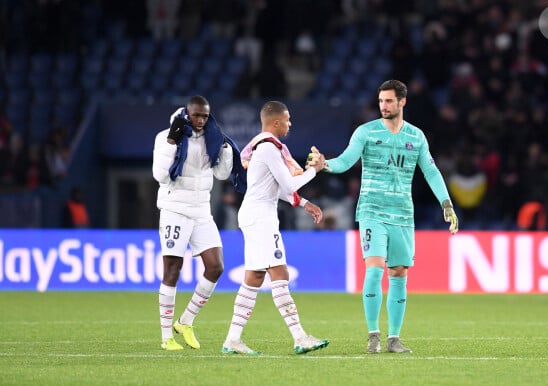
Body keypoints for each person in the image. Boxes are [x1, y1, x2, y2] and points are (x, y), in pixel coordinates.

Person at [310, 80, 459, 354]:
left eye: (389, 101)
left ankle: (394, 338)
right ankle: (373, 335)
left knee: (399, 272)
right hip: (372, 210)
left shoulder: (416, 137)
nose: (384, 106)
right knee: (375, 268)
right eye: (381, 101)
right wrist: (325, 165)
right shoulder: (366, 133)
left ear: (402, 102)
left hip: (402, 214)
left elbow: (431, 172)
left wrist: (446, 204)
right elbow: (345, 161)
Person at [221, 100, 330, 355]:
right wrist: (315, 170)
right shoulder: (269, 149)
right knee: (280, 273)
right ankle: (300, 337)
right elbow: (290, 185)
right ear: (276, 122)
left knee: (254, 277)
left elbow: (278, 188)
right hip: (260, 217)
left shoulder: (264, 148)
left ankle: (232, 339)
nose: (290, 124)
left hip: (254, 213)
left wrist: (304, 203)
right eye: (288, 120)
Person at [152, 95, 245, 351]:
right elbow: (160, 175)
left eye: (205, 115)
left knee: (215, 267)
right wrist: (172, 141)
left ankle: (186, 321)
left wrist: (225, 150)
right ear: (187, 114)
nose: (201, 120)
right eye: (196, 115)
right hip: (174, 210)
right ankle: (165, 336)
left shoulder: (210, 138)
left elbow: (222, 174)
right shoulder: (165, 137)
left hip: (201, 211)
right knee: (173, 270)